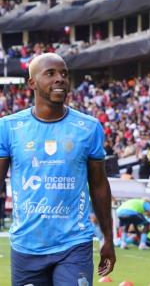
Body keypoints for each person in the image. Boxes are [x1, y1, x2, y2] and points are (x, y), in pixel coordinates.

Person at [0, 53, 115, 285]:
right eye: (50, 73)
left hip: (74, 244)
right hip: (26, 245)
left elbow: (99, 185)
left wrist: (108, 238)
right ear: (31, 83)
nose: (60, 79)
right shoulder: (9, 127)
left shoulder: (88, 127)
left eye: (64, 73)